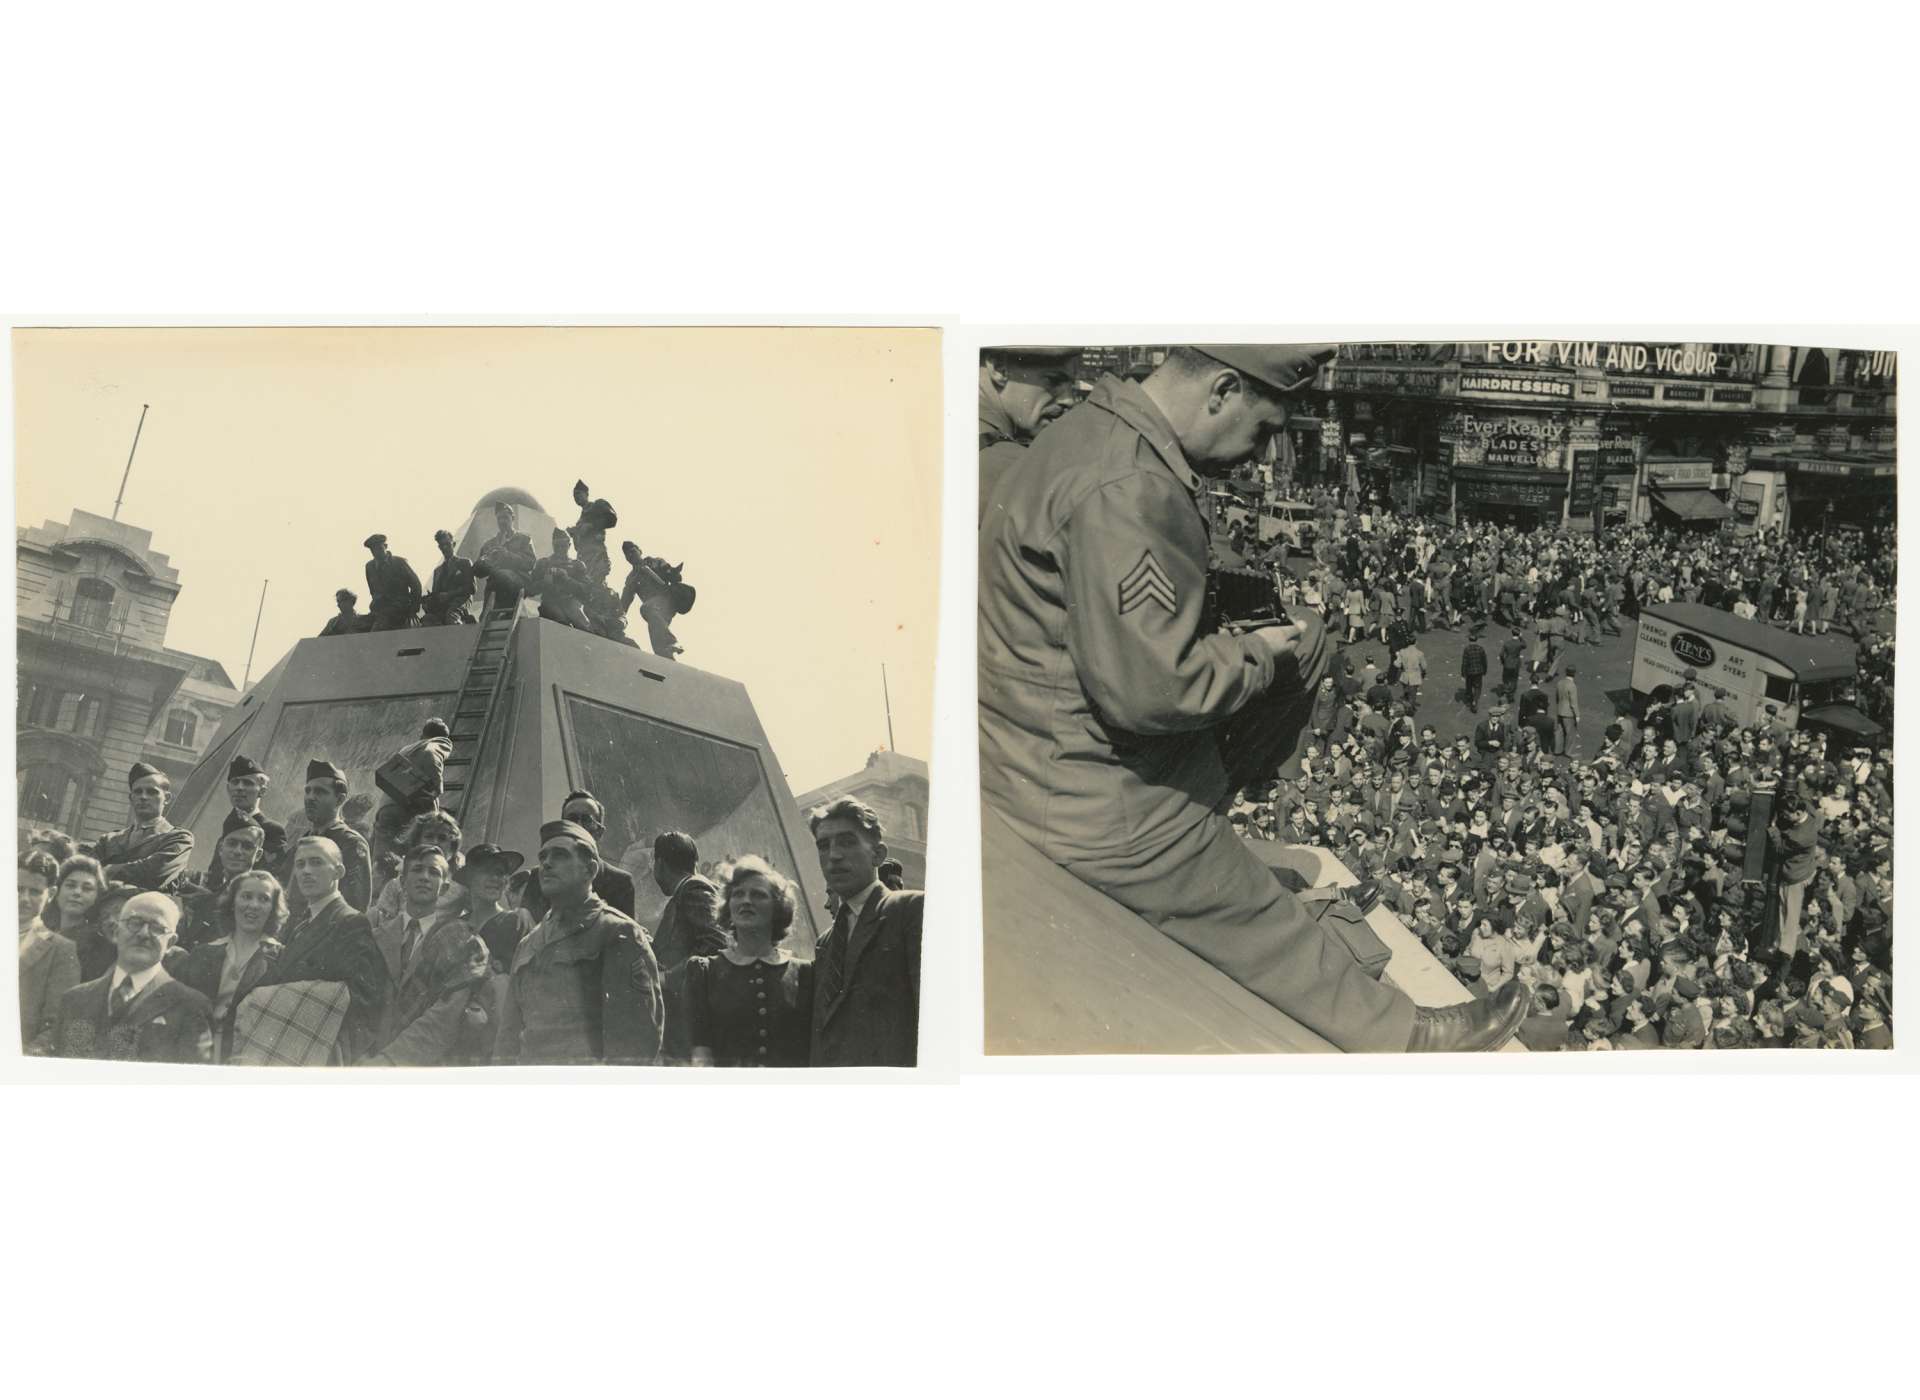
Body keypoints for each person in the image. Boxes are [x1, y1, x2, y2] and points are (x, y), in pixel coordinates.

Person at [495, 819, 663, 1065]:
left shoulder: (617, 933)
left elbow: (636, 1044)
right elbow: (507, 1039)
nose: (546, 864)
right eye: (543, 857)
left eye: (560, 855)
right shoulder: (529, 943)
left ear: (590, 869)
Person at [808, 798, 923, 1066]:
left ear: (878, 854)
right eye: (824, 846)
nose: (834, 855)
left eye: (847, 842)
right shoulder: (826, 942)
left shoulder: (910, 910)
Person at [361, 844, 493, 1067]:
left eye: (434, 873)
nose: (424, 877)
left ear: (444, 888)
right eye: (417, 870)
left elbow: (447, 1014)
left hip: (422, 1063)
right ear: (402, 882)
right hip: (365, 1056)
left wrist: (389, 1062)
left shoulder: (460, 939)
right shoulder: (375, 936)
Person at [265, 836, 392, 1064]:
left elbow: (361, 1004)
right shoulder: (302, 920)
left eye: (316, 862)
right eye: (300, 864)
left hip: (309, 1052)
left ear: (338, 872)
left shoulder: (350, 923)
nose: (305, 871)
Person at [52, 892, 213, 1063]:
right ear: (116, 932)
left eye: (157, 928)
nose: (144, 933)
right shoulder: (75, 1000)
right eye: (134, 923)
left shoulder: (191, 1007)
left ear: (171, 943)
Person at [687, 856, 814, 1067]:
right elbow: (700, 1053)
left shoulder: (805, 972)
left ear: (778, 907)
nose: (746, 900)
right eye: (738, 894)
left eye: (758, 895)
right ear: (729, 906)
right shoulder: (704, 972)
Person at [173, 868, 289, 1062]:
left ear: (273, 908)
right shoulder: (203, 953)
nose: (253, 905)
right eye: (246, 896)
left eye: (264, 899)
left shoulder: (281, 958)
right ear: (233, 903)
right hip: (196, 1054)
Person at [649, 830, 728, 1066]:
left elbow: (716, 946)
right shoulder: (690, 891)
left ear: (659, 863)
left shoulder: (693, 890)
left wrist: (666, 978)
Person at [979, 346, 1077, 520]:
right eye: (1053, 381)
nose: (1068, 400)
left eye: (1071, 387)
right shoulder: (1014, 467)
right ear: (999, 368)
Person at [520, 790, 638, 920]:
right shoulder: (540, 877)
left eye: (587, 820)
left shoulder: (619, 883)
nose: (578, 826)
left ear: (599, 832)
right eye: (572, 819)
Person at [84, 762, 195, 893]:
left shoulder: (179, 838)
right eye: (138, 792)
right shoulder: (109, 840)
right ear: (131, 798)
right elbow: (86, 874)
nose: (143, 797)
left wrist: (106, 870)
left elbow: (154, 873)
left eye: (152, 792)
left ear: (167, 798)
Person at [282, 759, 374, 914]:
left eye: (320, 791)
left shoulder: (351, 843)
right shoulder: (303, 842)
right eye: (308, 791)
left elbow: (355, 909)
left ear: (340, 799)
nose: (310, 797)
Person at [19, 850, 81, 1055]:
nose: (23, 899)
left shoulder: (61, 950)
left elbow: (56, 1026)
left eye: (35, 891)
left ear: (51, 894)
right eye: (17, 889)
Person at [178, 823, 268, 950]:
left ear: (258, 855)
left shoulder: (258, 897)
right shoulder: (216, 892)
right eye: (232, 844)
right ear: (221, 849)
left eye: (247, 847)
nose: (237, 851)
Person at [454, 843, 531, 971]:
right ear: (469, 878)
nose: (495, 878)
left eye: (500, 873)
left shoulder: (517, 923)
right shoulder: (456, 927)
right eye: (486, 871)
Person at [46, 854, 120, 982]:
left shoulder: (99, 944)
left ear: (96, 897)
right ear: (57, 891)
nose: (77, 892)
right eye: (70, 885)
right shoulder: (44, 929)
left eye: (87, 888)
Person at [618, 541, 691, 658]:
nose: (631, 556)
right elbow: (625, 602)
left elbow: (674, 575)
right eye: (627, 555)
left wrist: (672, 572)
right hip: (655, 610)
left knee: (647, 608)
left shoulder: (655, 562)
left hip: (667, 601)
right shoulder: (632, 578)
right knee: (658, 640)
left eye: (632, 551)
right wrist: (617, 616)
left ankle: (671, 642)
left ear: (639, 550)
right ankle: (668, 660)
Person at [219, 754, 287, 876]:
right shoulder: (228, 824)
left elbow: (271, 879)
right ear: (228, 789)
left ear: (262, 791)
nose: (239, 788)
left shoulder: (272, 830)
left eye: (247, 783)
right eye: (235, 782)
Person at [474, 500, 538, 612]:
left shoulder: (524, 539)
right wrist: (485, 563)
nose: (502, 521)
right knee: (493, 582)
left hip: (519, 579)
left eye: (505, 518)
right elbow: (476, 571)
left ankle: (505, 612)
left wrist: (507, 555)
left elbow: (531, 563)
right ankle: (487, 615)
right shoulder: (490, 544)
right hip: (496, 581)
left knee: (501, 576)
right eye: (499, 519)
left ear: (513, 518)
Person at [363, 534, 423, 630]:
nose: (376, 552)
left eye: (379, 548)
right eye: (373, 550)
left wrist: (413, 610)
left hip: (400, 608)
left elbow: (416, 586)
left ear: (385, 546)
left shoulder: (399, 563)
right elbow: (373, 591)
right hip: (379, 609)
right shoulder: (369, 567)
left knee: (379, 629)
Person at [567, 479, 619, 585]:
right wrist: (574, 534)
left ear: (586, 493)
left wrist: (591, 526)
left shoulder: (597, 505)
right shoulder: (579, 521)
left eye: (578, 494)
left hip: (596, 555)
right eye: (574, 496)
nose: (576, 497)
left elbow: (612, 519)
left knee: (597, 584)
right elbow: (577, 547)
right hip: (583, 557)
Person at [422, 529, 477, 625]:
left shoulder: (464, 563)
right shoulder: (437, 571)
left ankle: (464, 624)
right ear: (439, 548)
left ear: (454, 544)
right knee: (427, 620)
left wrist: (449, 594)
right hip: (443, 605)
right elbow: (436, 593)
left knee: (451, 618)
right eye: (442, 545)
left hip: (460, 601)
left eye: (447, 544)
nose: (445, 548)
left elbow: (472, 588)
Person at [1554, 666, 1581, 757]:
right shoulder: (1572, 685)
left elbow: (1557, 697)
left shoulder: (1560, 683)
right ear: (1574, 673)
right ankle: (1568, 752)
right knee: (1570, 733)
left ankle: (1557, 750)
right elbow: (1574, 702)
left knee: (1559, 731)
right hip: (1568, 713)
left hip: (1560, 710)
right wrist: (1577, 715)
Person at [1460, 634, 1487, 713]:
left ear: (1469, 640)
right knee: (1477, 687)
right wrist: (1484, 670)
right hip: (1479, 671)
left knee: (1469, 685)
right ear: (1476, 640)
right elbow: (1484, 661)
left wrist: (1463, 673)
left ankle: (1470, 698)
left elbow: (1464, 662)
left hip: (1469, 672)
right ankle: (1475, 700)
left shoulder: (1467, 649)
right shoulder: (1480, 649)